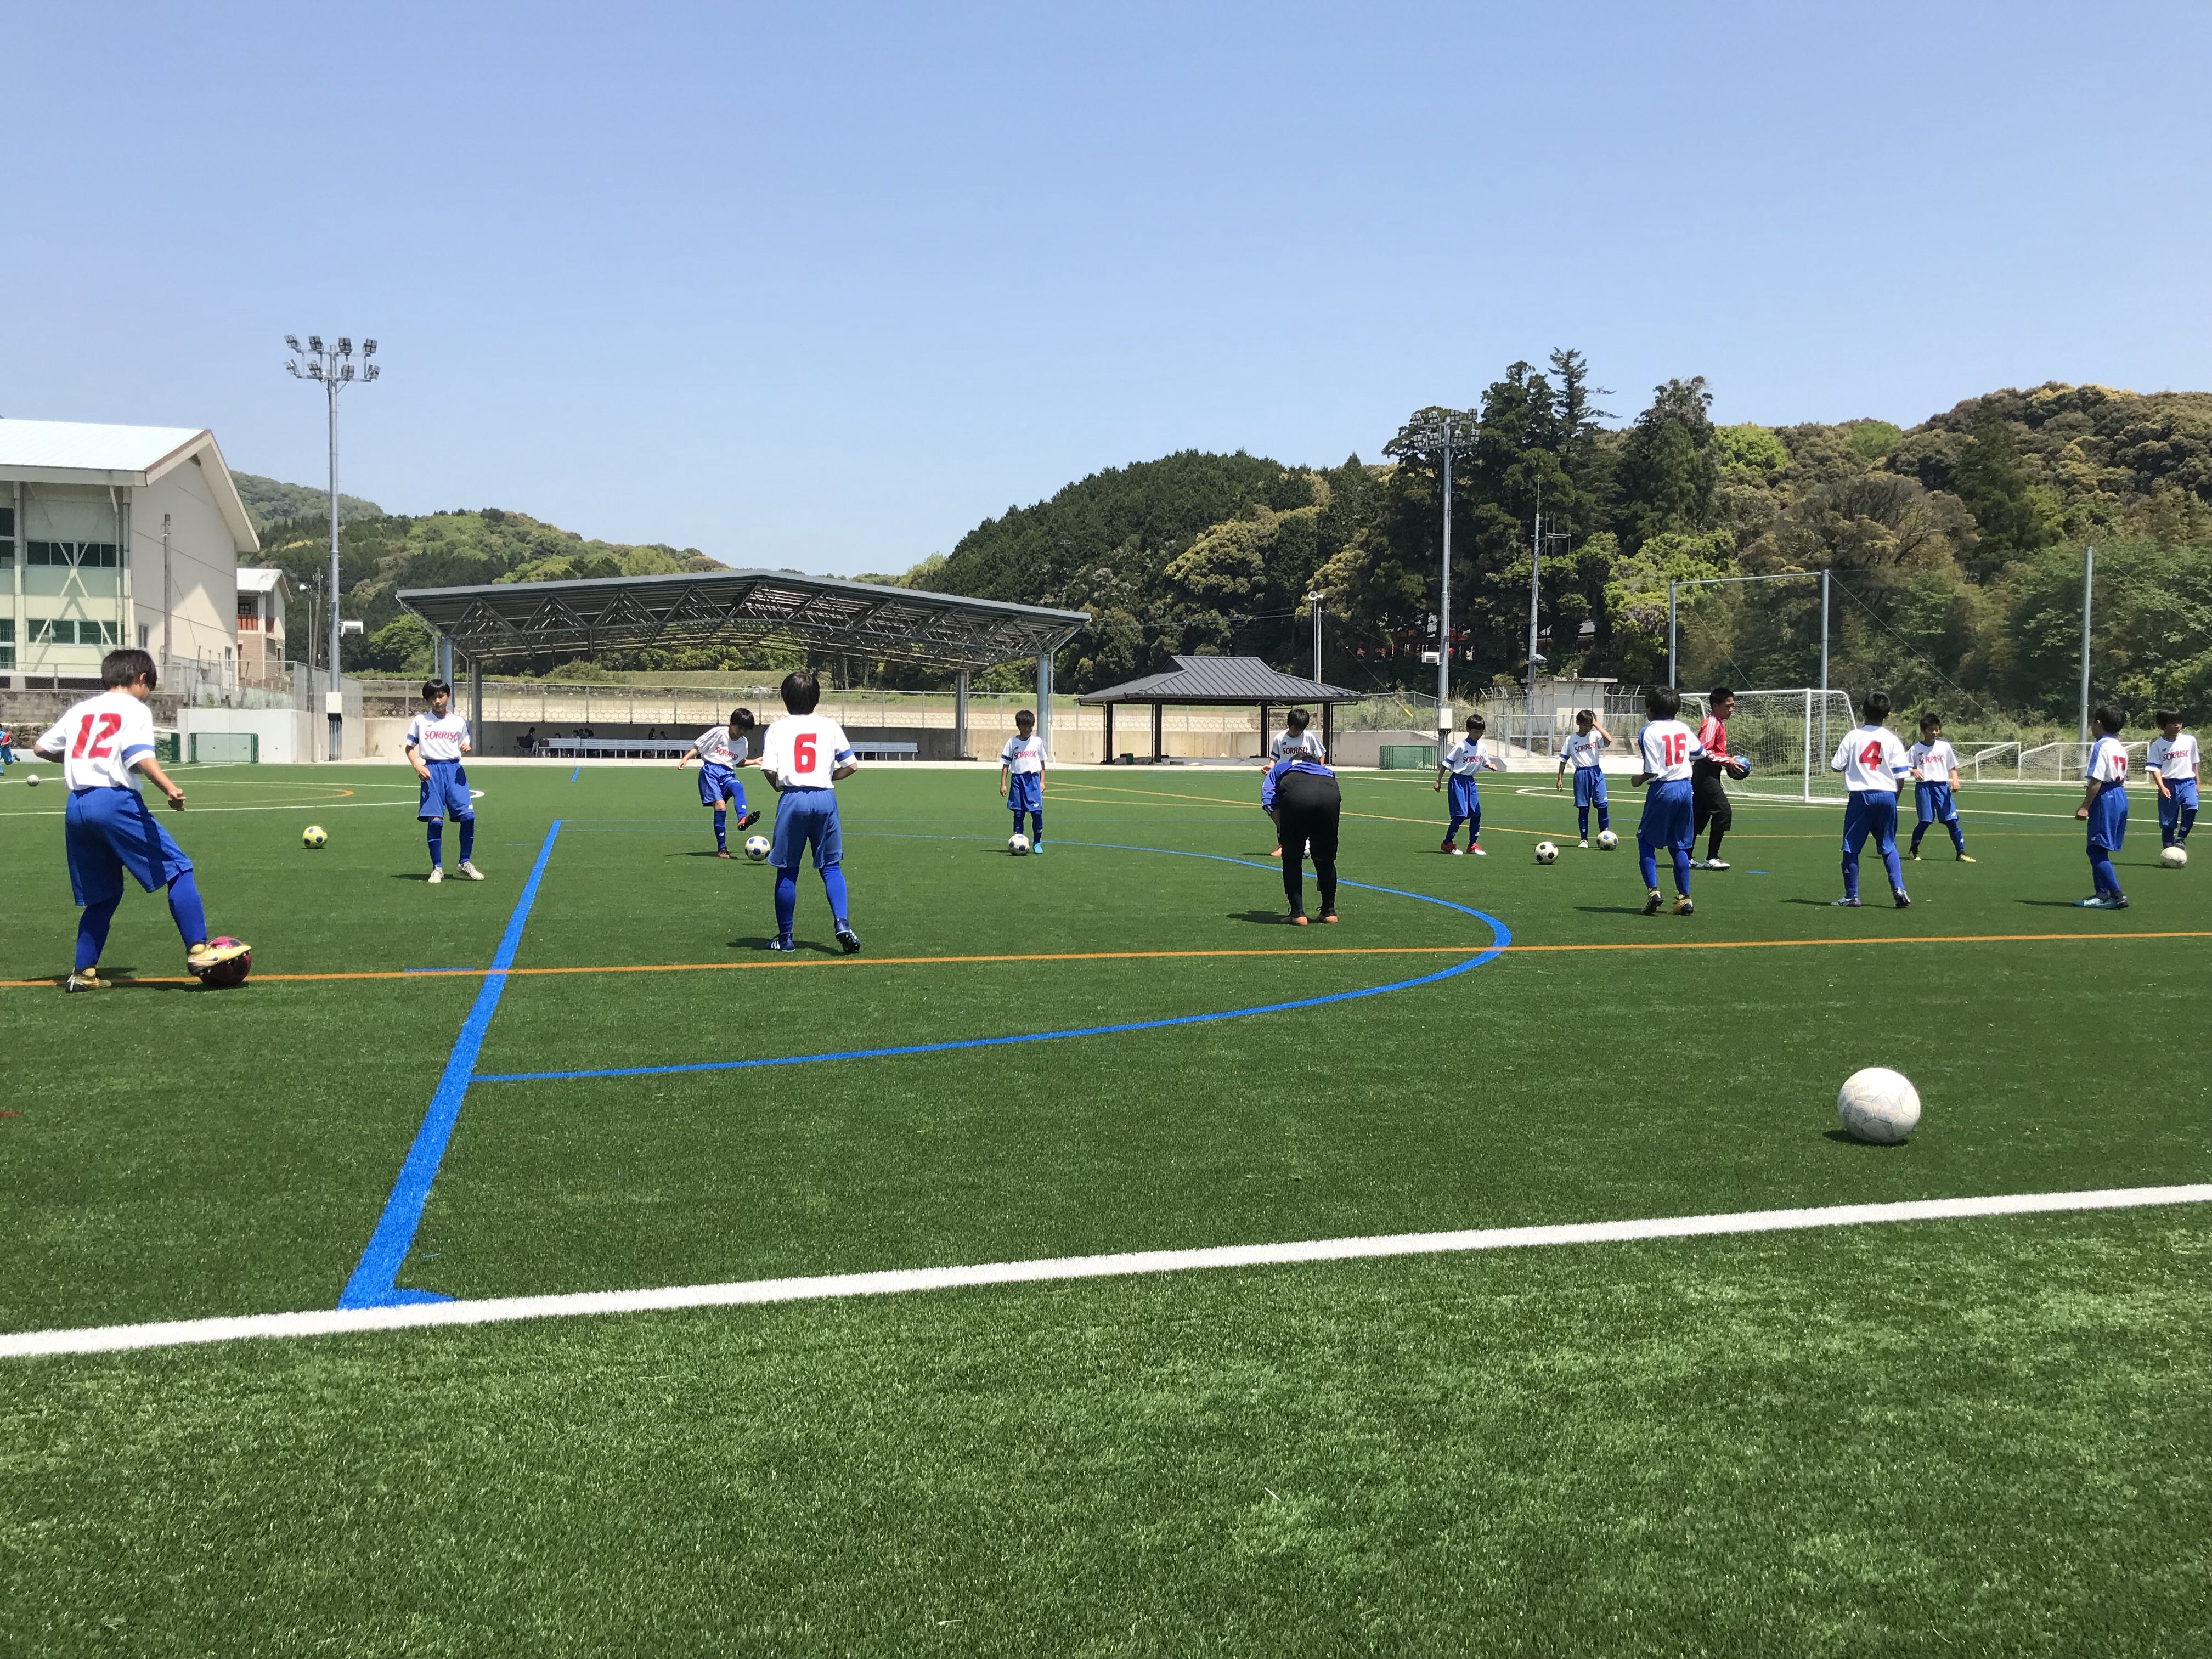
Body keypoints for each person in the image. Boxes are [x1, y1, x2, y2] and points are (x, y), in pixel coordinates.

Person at [30, 648, 247, 991]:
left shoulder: (82, 709)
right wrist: (170, 789)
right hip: (114, 802)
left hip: (77, 808)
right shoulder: (135, 709)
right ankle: (199, 951)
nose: (148, 694)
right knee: (178, 868)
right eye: (149, 687)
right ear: (141, 679)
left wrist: (81, 760)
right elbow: (138, 755)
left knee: (104, 895)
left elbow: (41, 748)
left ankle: (83, 973)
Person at [759, 670, 861, 952]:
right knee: (831, 867)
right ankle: (842, 923)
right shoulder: (830, 726)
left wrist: (779, 786)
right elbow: (852, 766)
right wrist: (828, 777)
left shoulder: (777, 729)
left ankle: (785, 938)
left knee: (788, 870)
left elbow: (769, 769)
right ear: (816, 698)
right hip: (825, 798)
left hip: (793, 798)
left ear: (785, 699)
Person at [1829, 690, 1912, 909]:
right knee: (1888, 845)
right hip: (1887, 795)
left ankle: (1852, 896)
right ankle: (1899, 889)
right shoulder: (1893, 740)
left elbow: (1836, 766)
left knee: (1851, 847)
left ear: (1862, 711)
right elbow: (1901, 775)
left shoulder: (1853, 737)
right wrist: (1894, 799)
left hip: (1861, 796)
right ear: (1888, 714)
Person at [1631, 685, 1701, 916]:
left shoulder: (1648, 731)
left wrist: (1638, 780)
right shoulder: (1683, 727)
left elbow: (1652, 770)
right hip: (1685, 788)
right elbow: (1699, 752)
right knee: (1679, 844)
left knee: (1645, 840)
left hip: (1663, 789)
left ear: (1650, 709)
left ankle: (1653, 891)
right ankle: (1685, 898)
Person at [406, 678, 482, 884]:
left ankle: (464, 862)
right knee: (436, 822)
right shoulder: (421, 721)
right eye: (433, 698)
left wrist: (467, 747)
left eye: (440, 696)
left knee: (468, 817)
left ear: (448, 696)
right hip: (432, 771)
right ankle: (437, 868)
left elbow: (466, 742)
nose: (437, 701)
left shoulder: (458, 721)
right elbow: (409, 748)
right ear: (428, 700)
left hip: (454, 770)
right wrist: (418, 766)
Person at [1262, 748, 1339, 924]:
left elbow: (1268, 799)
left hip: (1297, 797)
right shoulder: (1326, 770)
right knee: (1325, 859)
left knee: (1292, 858)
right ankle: (1329, 912)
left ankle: (1297, 914)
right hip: (1330, 795)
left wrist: (1286, 832)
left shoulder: (1282, 766)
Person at [677, 708, 761, 857]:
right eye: (740, 727)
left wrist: (754, 761)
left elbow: (739, 762)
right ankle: (722, 848)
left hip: (728, 773)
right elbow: (698, 747)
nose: (742, 732)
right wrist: (686, 758)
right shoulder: (719, 732)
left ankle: (742, 819)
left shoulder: (743, 742)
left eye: (745, 730)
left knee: (738, 788)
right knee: (721, 807)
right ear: (732, 723)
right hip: (710, 772)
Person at [2075, 703, 2130, 909]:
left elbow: (2097, 780)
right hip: (2119, 795)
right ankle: (2101, 895)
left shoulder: (2100, 746)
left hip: (2106, 796)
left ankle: (2116, 895)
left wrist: (2085, 806)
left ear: (2098, 723)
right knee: (2100, 848)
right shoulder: (2120, 747)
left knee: (2095, 851)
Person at [1433, 714, 1505, 855]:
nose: (1478, 735)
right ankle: (1447, 843)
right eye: (1476, 732)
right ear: (1468, 730)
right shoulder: (1460, 746)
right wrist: (1438, 781)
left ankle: (1472, 845)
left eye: (1481, 732)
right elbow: (1446, 764)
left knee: (1476, 814)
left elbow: (1484, 761)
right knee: (1460, 815)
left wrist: (1490, 765)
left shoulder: (1482, 747)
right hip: (1458, 781)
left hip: (1470, 782)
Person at [1907, 713, 1972, 861]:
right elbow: (1907, 767)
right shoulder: (1915, 749)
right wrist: (1913, 771)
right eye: (1931, 730)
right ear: (1923, 731)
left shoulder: (1945, 747)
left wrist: (1955, 780)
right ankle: (1914, 850)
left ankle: (1961, 853)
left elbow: (1952, 767)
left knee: (1951, 820)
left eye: (1937, 729)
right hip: (1924, 788)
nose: (1935, 733)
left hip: (1942, 787)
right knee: (1925, 821)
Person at [1263, 709, 1325, 857]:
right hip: (1286, 780)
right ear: (1289, 724)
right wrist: (1270, 767)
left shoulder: (1309, 737)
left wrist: (1319, 769)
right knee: (1283, 812)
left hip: (1305, 779)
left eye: (1301, 729)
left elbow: (1321, 753)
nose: (1299, 732)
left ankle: (1307, 842)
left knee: (1304, 811)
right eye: (1296, 728)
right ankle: (1283, 844)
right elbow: (1274, 759)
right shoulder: (1280, 738)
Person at [1691, 686, 1736, 870]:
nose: (1731, 709)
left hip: (1708, 773)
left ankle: (1685, 856)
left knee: (1699, 815)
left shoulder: (1718, 722)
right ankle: (1712, 858)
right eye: (1728, 706)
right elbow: (1703, 752)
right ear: (1716, 706)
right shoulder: (1712, 723)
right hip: (1705, 773)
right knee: (1723, 812)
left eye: (1732, 705)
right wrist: (1727, 760)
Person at [1553, 708, 1612, 847]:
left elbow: (1609, 739)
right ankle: (1584, 839)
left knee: (1602, 805)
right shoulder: (1571, 740)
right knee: (1583, 808)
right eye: (1586, 725)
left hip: (1596, 773)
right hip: (1581, 775)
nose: (1588, 728)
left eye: (1590, 725)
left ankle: (1605, 835)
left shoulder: (1595, 736)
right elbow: (1563, 760)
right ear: (1578, 723)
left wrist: (1596, 724)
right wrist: (1560, 778)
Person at [2146, 707, 2199, 851]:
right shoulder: (2157, 745)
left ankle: (2181, 838)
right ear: (2163, 725)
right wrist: (2162, 787)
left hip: (2187, 782)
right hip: (2168, 784)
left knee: (2191, 806)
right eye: (2173, 722)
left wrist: (2197, 783)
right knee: (2168, 822)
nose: (2177, 725)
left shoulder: (2190, 740)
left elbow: (2194, 763)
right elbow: (2155, 769)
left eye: (2179, 722)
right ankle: (2168, 846)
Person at [999, 709, 1048, 854]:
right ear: (1018, 726)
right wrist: (1003, 784)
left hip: (1033, 781)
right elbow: (1006, 765)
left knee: (1037, 813)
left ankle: (1037, 842)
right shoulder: (1012, 742)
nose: (1028, 729)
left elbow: (1042, 763)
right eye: (1025, 726)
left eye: (1031, 726)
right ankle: (1018, 839)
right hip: (1017, 781)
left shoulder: (1037, 742)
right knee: (1019, 814)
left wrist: (1042, 781)